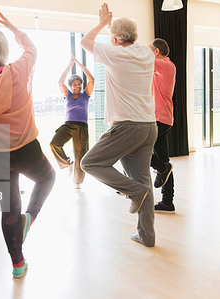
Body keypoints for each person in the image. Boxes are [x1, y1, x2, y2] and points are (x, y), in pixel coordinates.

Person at [0, 11, 55, 278]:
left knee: (8, 210)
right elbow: (30, 47)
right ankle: (30, 216)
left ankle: (18, 265)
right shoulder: (20, 68)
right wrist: (11, 26)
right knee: (48, 178)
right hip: (25, 148)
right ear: (6, 50)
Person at [80, 4, 157, 247]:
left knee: (89, 163)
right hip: (148, 126)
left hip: (127, 126)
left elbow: (85, 41)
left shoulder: (116, 54)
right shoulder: (146, 53)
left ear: (114, 38)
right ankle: (147, 235)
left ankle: (133, 192)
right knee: (144, 181)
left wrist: (103, 22)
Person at [50, 55, 94, 189]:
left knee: (80, 156)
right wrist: (69, 67)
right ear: (71, 86)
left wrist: (81, 66)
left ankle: (77, 182)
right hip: (68, 125)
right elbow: (60, 82)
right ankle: (66, 163)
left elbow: (91, 79)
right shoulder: (68, 95)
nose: (78, 86)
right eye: (75, 84)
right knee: (54, 143)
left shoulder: (85, 95)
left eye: (79, 84)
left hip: (81, 127)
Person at [149, 38, 176, 214]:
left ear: (156, 52)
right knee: (164, 159)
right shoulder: (161, 66)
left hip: (160, 117)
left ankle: (161, 168)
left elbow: (140, 59)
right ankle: (167, 203)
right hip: (162, 117)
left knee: (139, 148)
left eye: (150, 50)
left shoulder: (165, 65)